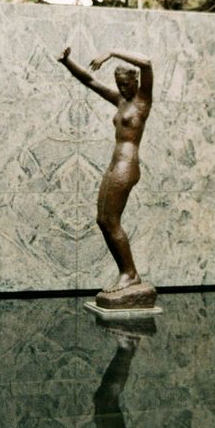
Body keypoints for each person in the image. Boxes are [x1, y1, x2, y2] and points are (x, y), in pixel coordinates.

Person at [57, 47, 153, 292]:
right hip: (115, 164)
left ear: (136, 82)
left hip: (127, 166)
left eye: (125, 84)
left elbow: (146, 62)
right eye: (118, 84)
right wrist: (67, 61)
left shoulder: (142, 101)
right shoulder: (120, 101)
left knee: (111, 220)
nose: (122, 88)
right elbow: (89, 80)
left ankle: (130, 274)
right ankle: (127, 272)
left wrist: (111, 52)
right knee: (103, 220)